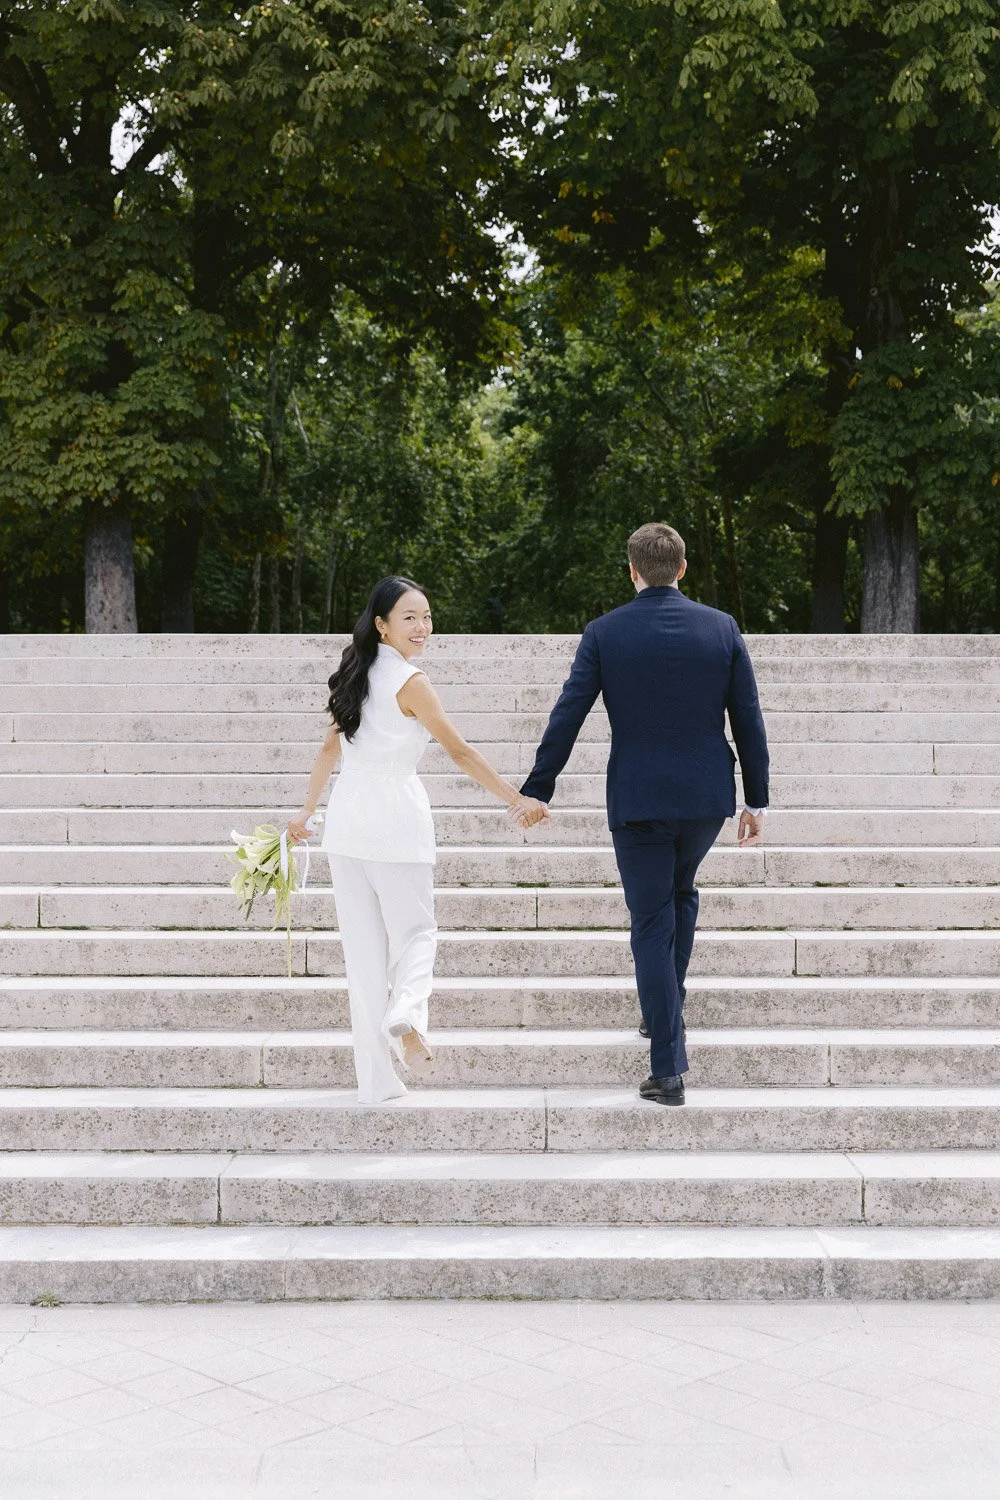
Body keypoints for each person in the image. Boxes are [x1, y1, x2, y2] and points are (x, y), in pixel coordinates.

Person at [517, 523, 769, 1106]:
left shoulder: (604, 633)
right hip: (706, 798)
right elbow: (749, 718)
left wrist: (539, 789)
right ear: (683, 567)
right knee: (679, 895)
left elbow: (568, 713)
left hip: (638, 800)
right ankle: (664, 1015)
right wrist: (756, 799)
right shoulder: (722, 628)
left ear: (632, 570)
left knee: (652, 919)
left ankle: (668, 1069)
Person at [288, 576, 547, 1104]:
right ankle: (407, 1012)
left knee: (362, 958)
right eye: (410, 617)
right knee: (417, 933)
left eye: (426, 616)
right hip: (396, 820)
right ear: (381, 624)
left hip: (347, 825)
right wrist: (514, 799)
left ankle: (377, 1083)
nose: (423, 627)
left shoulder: (352, 678)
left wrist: (307, 812)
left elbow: (328, 754)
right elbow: (459, 751)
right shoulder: (412, 681)